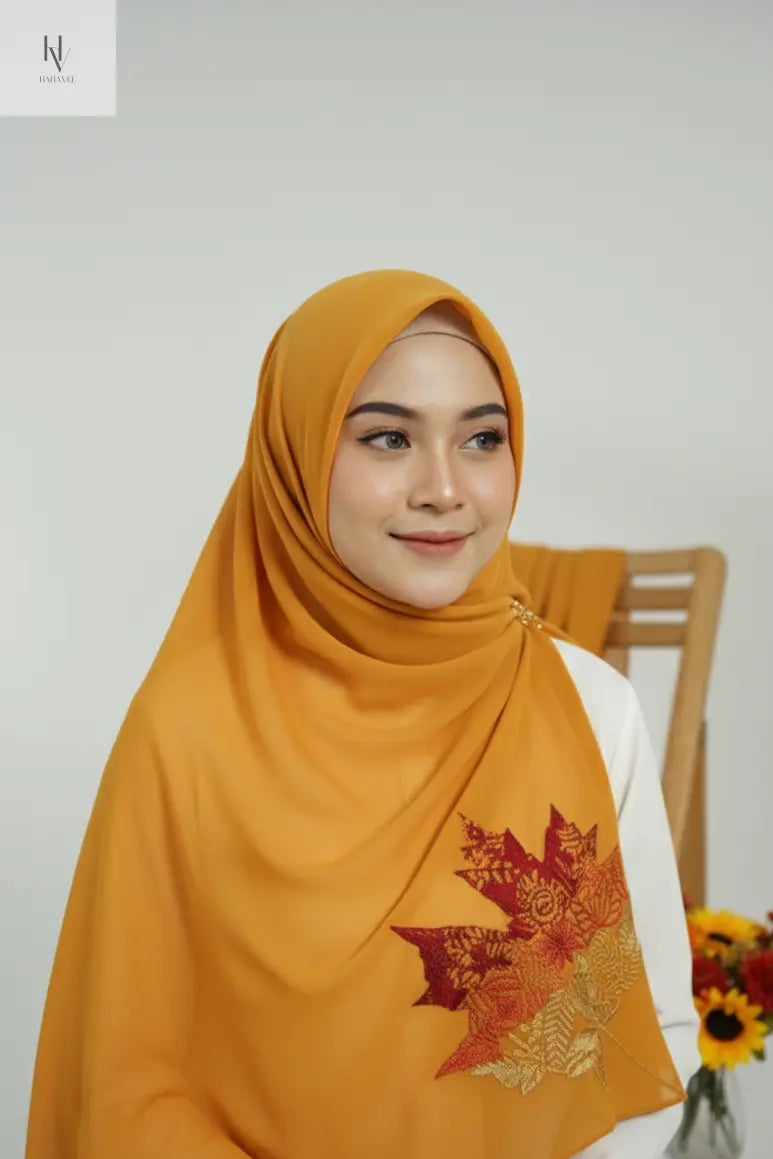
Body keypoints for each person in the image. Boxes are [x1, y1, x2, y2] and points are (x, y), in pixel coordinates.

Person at [25, 269, 699, 1159]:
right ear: (296, 457)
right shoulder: (187, 731)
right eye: (387, 438)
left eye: (481, 439)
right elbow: (129, 1081)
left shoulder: (587, 707)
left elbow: (653, 1029)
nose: (443, 488)